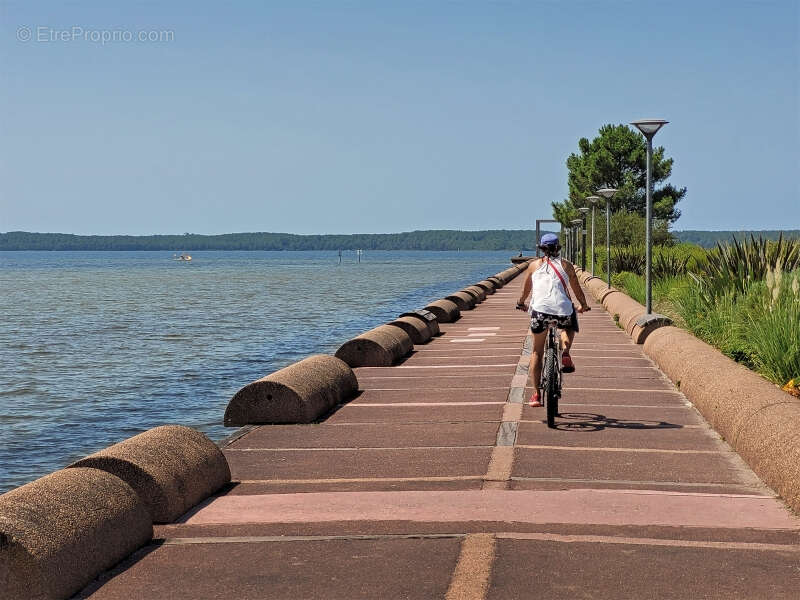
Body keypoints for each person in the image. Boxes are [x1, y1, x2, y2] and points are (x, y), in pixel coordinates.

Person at [516, 233, 590, 407]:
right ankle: (565, 352)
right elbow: (577, 290)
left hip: (540, 311)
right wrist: (584, 305)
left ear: (542, 248)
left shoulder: (534, 266)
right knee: (569, 325)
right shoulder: (567, 266)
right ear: (558, 248)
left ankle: (536, 394)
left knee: (536, 352)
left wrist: (520, 303)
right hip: (562, 310)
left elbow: (526, 290)